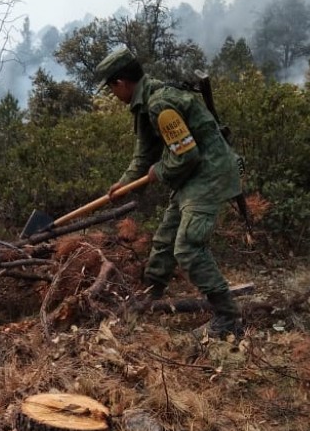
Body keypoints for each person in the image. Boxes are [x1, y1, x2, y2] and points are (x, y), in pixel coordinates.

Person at [94, 47, 244, 338]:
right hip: (193, 175)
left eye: (112, 89)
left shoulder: (160, 104)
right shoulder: (145, 102)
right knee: (165, 239)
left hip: (208, 174)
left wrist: (159, 171)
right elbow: (145, 152)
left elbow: (186, 155)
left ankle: (228, 317)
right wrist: (125, 182)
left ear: (120, 83)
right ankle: (150, 296)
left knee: (187, 247)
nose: (113, 94)